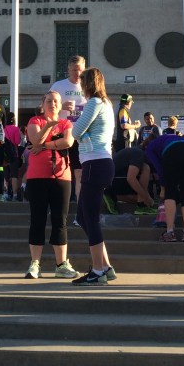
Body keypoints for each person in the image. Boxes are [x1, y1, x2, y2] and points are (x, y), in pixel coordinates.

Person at [23, 90, 79, 279]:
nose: (52, 104)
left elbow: (68, 142)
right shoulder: (35, 121)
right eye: (49, 101)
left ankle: (61, 264)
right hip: (37, 177)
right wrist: (48, 126)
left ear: (60, 104)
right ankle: (35, 263)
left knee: (60, 221)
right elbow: (34, 139)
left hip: (62, 177)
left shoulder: (66, 123)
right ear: (43, 103)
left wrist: (44, 146)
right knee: (37, 219)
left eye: (56, 101)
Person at [69, 67, 117, 285]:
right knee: (82, 217)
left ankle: (98, 271)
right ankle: (105, 266)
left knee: (90, 217)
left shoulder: (94, 103)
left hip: (94, 163)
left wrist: (81, 134)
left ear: (88, 84)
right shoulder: (107, 104)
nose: (80, 86)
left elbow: (76, 131)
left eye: (82, 82)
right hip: (102, 162)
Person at [145, 129, 184, 242]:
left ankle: (170, 232)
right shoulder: (168, 138)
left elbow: (160, 169)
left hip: (173, 152)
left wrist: (163, 188)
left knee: (169, 191)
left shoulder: (149, 148)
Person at [50, 55, 86, 203]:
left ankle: (79, 204)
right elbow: (44, 108)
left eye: (80, 70)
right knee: (62, 168)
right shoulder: (58, 86)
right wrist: (61, 107)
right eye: (74, 70)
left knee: (79, 171)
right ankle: (60, 200)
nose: (77, 74)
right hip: (62, 134)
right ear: (68, 70)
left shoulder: (87, 86)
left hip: (81, 134)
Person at [104, 140, 156, 215]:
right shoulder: (138, 154)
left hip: (114, 182)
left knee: (137, 197)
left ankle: (111, 196)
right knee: (146, 168)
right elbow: (131, 178)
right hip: (116, 180)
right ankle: (142, 205)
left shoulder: (136, 151)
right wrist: (146, 197)